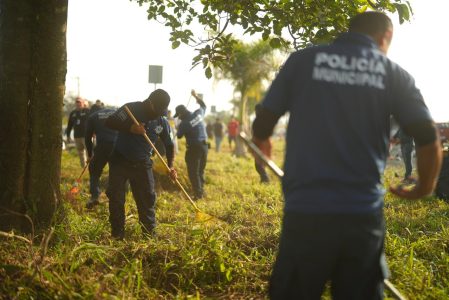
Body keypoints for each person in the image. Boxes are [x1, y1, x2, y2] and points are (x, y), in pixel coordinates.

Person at [251, 11, 442, 299]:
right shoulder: (395, 75)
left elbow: (263, 122)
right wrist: (425, 187)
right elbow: (428, 136)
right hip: (362, 216)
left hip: (306, 213)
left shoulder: (303, 61)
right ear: (385, 36)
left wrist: (262, 145)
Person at [104, 89, 177, 239]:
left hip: (143, 164)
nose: (159, 114)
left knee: (147, 200)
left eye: (162, 111)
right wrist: (131, 128)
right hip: (120, 161)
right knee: (117, 199)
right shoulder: (130, 109)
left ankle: (149, 236)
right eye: (157, 110)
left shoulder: (161, 120)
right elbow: (110, 121)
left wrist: (170, 166)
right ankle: (117, 236)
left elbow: (169, 145)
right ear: (150, 103)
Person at [174, 89, 208, 199]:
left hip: (194, 149)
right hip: (204, 147)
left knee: (193, 172)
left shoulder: (184, 123)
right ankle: (201, 191)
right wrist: (195, 96)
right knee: (200, 170)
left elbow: (179, 135)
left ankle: (198, 195)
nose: (178, 117)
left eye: (178, 116)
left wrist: (178, 126)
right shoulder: (198, 114)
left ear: (181, 114)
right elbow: (203, 105)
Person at [84, 107, 118, 209]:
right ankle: (118, 194)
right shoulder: (117, 111)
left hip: (103, 146)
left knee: (94, 169)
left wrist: (90, 155)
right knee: (118, 170)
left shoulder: (92, 116)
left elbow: (87, 137)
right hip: (119, 145)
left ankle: (95, 196)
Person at [66, 97, 90, 167]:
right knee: (80, 152)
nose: (78, 104)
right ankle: (83, 167)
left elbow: (92, 122)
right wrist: (68, 136)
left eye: (79, 102)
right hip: (77, 136)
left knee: (89, 152)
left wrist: (93, 132)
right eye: (77, 103)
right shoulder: (73, 113)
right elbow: (69, 125)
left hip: (86, 135)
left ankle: (91, 167)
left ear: (83, 103)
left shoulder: (87, 111)